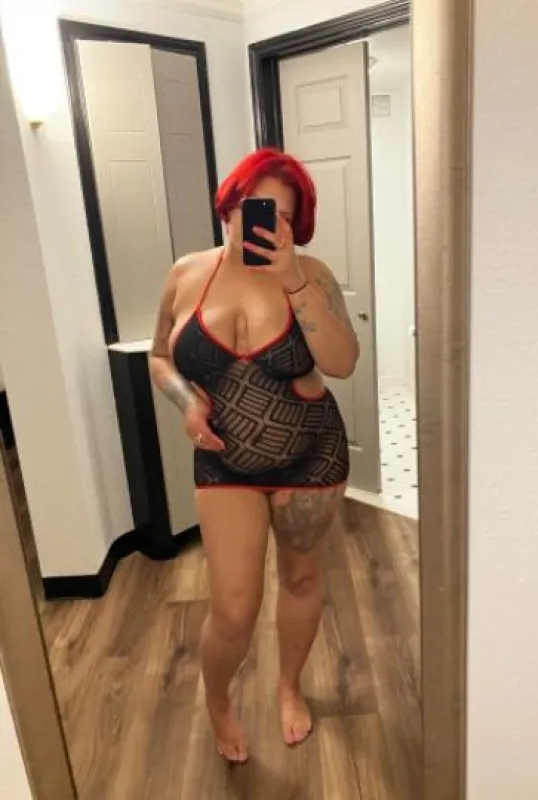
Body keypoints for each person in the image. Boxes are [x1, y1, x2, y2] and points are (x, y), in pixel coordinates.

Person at [149, 148, 358, 764]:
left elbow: (343, 363)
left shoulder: (312, 275)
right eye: (254, 206)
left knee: (301, 578)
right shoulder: (187, 274)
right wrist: (186, 400)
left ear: (297, 223)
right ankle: (218, 701)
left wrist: (293, 280)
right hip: (224, 464)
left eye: (283, 215)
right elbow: (158, 355)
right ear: (230, 205)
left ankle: (289, 686)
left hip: (311, 458)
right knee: (234, 609)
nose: (265, 222)